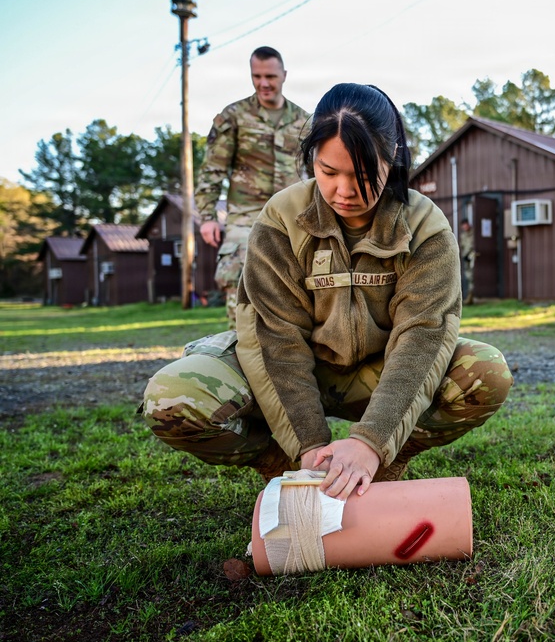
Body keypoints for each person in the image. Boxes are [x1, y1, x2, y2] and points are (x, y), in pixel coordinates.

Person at [142, 83, 513, 500]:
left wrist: (372, 442)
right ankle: (283, 467)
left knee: (485, 372)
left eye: (362, 174)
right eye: (328, 171)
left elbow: (423, 335)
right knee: (172, 397)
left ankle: (385, 460)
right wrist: (309, 448)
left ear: (392, 159)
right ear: (311, 160)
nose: (344, 191)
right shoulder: (281, 218)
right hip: (298, 370)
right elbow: (276, 337)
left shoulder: (425, 224)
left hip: (378, 373)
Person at [195, 46, 311, 328]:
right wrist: (207, 218)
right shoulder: (234, 116)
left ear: (284, 75)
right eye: (256, 76)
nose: (264, 83)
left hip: (292, 214)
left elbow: (315, 172)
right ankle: (239, 343)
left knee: (298, 278)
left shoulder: (304, 121)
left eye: (270, 76)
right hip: (246, 215)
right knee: (237, 274)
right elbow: (213, 168)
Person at [458, 218, 475, 305]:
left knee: (472, 276)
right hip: (466, 257)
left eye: (466, 225)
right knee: (468, 277)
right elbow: (463, 246)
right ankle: (469, 297)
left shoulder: (474, 233)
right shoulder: (463, 235)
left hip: (472, 256)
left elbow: (473, 245)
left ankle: (471, 297)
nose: (465, 227)